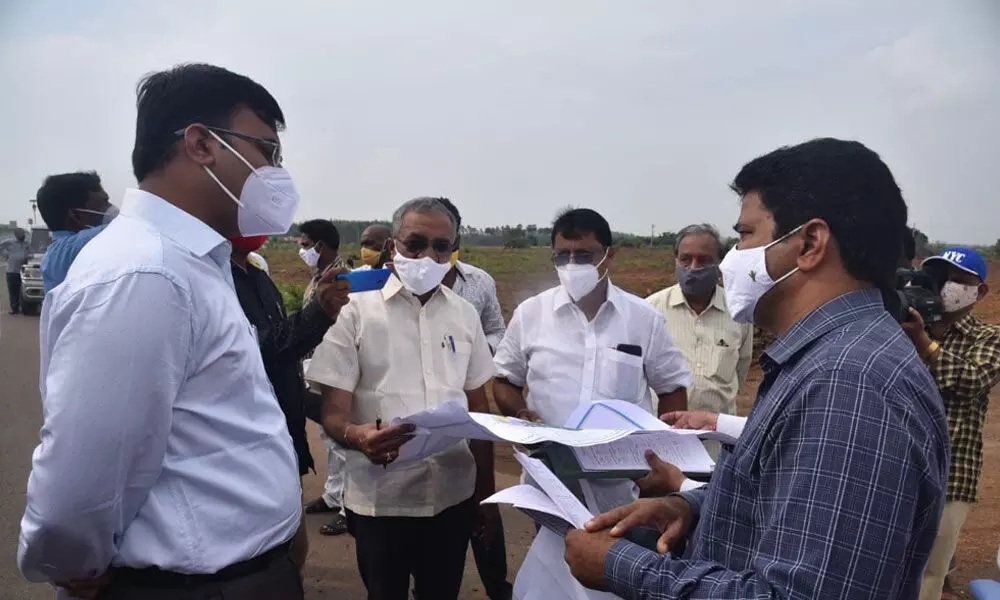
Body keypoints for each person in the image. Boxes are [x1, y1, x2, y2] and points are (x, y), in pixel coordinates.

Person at [563, 138, 950, 599]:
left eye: (746, 236)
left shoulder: (849, 383)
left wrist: (621, 567)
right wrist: (690, 508)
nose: (731, 259)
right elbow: (782, 503)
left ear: (808, 244)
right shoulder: (824, 358)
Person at [18, 63, 319, 600]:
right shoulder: (145, 272)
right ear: (201, 144)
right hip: (190, 587)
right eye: (265, 151)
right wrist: (75, 562)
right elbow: (85, 467)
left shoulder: (196, 262)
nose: (276, 172)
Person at [306, 197, 498, 600]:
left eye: (440, 246)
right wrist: (358, 436)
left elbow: (479, 411)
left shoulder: (464, 314)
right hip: (381, 501)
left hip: (452, 496)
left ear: (453, 250)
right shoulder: (353, 310)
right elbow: (334, 411)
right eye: (415, 244)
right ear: (394, 246)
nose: (428, 255)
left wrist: (485, 496)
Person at [229, 233, 349, 566]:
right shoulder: (211, 281)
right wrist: (318, 313)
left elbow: (283, 361)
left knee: (292, 549)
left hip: (282, 437)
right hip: (245, 449)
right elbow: (256, 353)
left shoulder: (256, 275)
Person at [905, 247, 1000, 600]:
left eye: (961, 281)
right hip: (899, 465)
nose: (949, 288)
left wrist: (921, 340)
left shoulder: (989, 338)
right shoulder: (906, 324)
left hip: (952, 475)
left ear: (981, 292)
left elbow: (970, 379)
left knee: (930, 573)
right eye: (944, 279)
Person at [438, 197, 512, 600]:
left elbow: (498, 331)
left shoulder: (479, 282)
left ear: (456, 238)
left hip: (472, 397)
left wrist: (469, 349)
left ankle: (497, 585)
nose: (432, 252)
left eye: (443, 240)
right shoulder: (392, 283)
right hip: (423, 406)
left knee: (484, 497)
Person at [646, 223, 752, 457]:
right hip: (663, 444)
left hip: (718, 447)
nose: (693, 268)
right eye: (685, 259)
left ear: (720, 264)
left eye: (703, 260)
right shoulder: (651, 311)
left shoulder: (739, 313)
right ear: (676, 260)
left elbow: (740, 370)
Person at [297, 219, 351, 537]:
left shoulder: (340, 280)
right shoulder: (319, 277)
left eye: (305, 245)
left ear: (320, 246)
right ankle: (333, 495)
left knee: (341, 436)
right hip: (317, 365)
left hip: (336, 368)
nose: (302, 251)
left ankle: (348, 507)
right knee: (328, 438)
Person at [35, 171, 116, 292]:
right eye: (104, 203)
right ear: (76, 215)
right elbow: (129, 224)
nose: (111, 208)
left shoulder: (54, 254)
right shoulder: (74, 246)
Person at [0, 228, 30, 314]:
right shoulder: (10, 242)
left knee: (22, 290)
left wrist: (27, 257)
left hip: (23, 271)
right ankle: (14, 308)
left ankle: (23, 307)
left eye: (23, 235)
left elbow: (31, 252)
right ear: (17, 236)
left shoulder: (26, 244)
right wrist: (5, 255)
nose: (23, 236)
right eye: (21, 235)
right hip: (12, 270)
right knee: (13, 290)